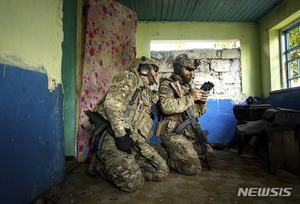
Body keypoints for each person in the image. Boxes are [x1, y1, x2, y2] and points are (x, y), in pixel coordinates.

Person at [85, 56, 169, 192]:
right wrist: (120, 135)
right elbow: (111, 105)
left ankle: (127, 167)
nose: (157, 73)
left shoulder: (146, 92)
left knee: (161, 171)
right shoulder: (129, 78)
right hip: (111, 134)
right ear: (144, 68)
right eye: (155, 69)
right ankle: (98, 164)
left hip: (130, 137)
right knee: (133, 184)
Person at [155, 54, 215, 175]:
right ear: (178, 68)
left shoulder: (187, 88)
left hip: (189, 131)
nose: (191, 72)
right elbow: (165, 107)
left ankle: (184, 152)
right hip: (172, 132)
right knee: (193, 168)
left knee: (210, 159)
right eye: (188, 69)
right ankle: (162, 153)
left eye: (192, 70)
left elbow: (198, 113)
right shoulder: (167, 85)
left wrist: (202, 102)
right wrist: (191, 98)